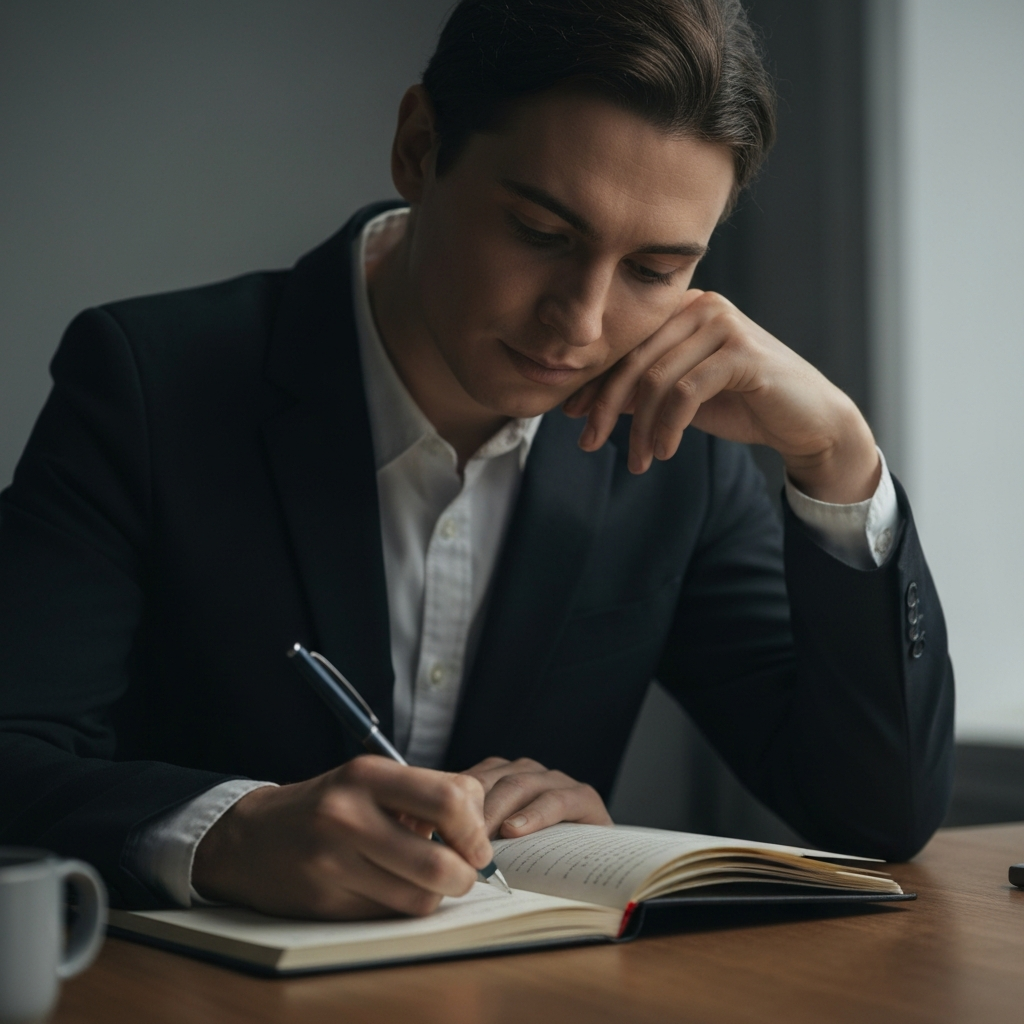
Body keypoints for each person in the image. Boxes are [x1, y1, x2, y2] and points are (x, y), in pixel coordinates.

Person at [0, 0, 953, 921]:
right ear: (420, 146)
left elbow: (873, 816)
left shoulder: (675, 448)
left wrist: (837, 459)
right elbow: (15, 755)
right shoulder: (147, 384)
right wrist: (229, 832)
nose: (579, 325)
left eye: (653, 272)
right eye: (541, 234)